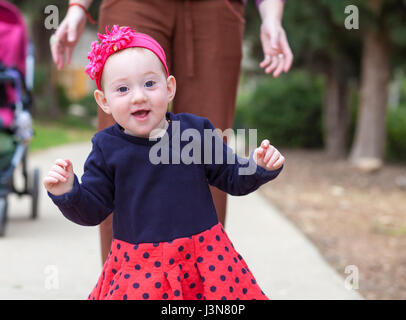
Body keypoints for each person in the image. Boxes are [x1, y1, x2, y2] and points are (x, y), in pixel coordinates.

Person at [44, 26, 285, 300]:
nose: (139, 96)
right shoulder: (106, 148)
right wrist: (68, 193)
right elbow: (93, 210)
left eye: (149, 84)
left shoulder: (194, 132)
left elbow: (231, 176)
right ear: (104, 101)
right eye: (122, 89)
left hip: (203, 261)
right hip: (140, 270)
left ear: (169, 88)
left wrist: (259, 167)